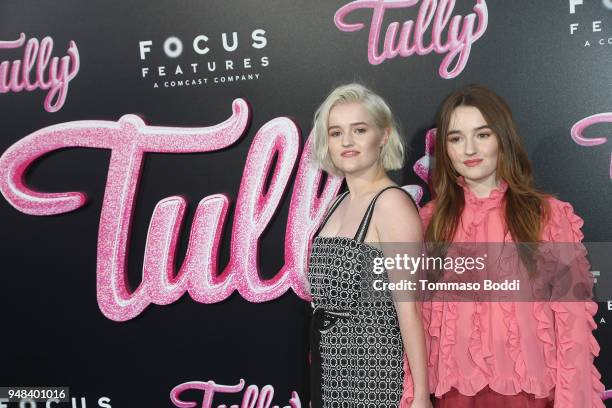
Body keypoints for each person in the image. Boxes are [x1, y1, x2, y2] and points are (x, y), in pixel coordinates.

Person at [419, 84, 604, 407]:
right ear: (444, 149)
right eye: (456, 138)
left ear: (502, 139)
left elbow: (572, 321)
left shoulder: (547, 214)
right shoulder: (428, 222)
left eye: (483, 134)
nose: (469, 149)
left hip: (532, 396)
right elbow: (416, 321)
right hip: (454, 397)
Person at [308, 83, 431, 407]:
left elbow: (410, 309)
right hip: (330, 372)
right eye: (336, 133)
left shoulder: (392, 204)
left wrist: (420, 395)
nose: (346, 142)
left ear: (383, 136)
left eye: (359, 130)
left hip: (376, 375)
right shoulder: (339, 203)